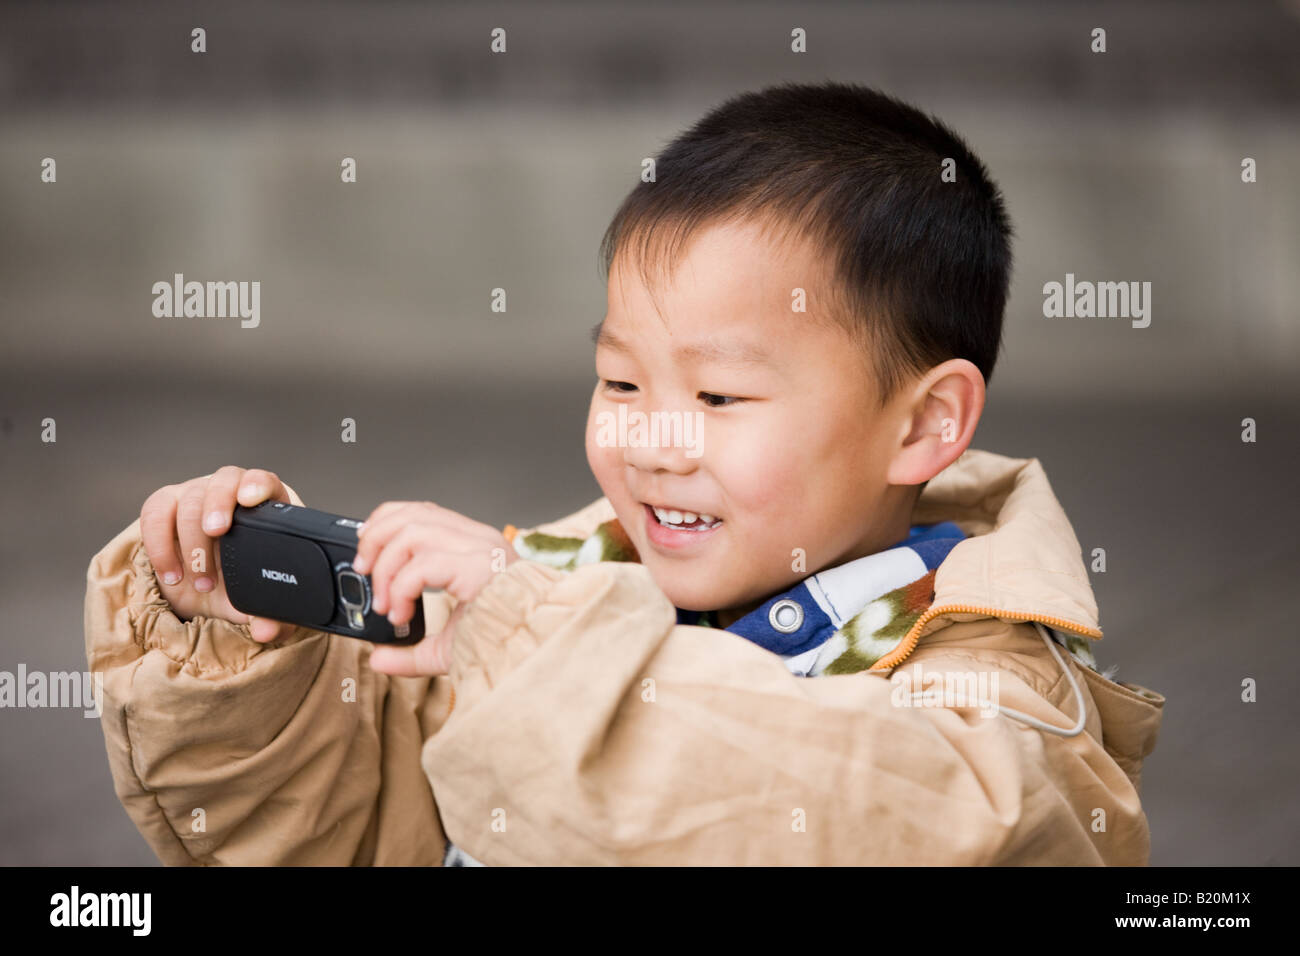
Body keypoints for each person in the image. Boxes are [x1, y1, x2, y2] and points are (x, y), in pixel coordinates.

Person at [85, 81, 1164, 865]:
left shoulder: (996, 702)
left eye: (719, 397)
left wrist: (534, 640)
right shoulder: (540, 600)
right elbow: (353, 835)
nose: (651, 440)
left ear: (924, 424)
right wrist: (239, 657)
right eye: (620, 382)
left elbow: (891, 821)